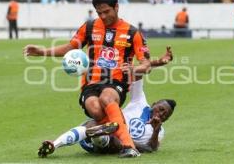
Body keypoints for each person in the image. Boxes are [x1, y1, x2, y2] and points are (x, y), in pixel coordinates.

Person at [23, 0, 151, 158]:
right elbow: (70, 48)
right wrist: (41, 51)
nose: (103, 16)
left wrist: (135, 69)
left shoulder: (132, 33)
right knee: (96, 110)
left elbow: (146, 64)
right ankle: (110, 127)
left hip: (116, 82)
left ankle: (129, 145)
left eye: (107, 12)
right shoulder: (90, 27)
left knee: (107, 98)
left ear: (117, 7)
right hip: (90, 84)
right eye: (99, 13)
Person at [37, 47, 176, 157]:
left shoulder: (159, 131)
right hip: (93, 139)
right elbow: (138, 73)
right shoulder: (140, 102)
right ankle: (54, 145)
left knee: (113, 138)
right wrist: (159, 62)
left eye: (166, 115)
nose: (162, 114)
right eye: (161, 109)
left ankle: (104, 135)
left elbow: (151, 148)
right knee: (94, 124)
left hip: (115, 145)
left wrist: (155, 132)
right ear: (154, 104)